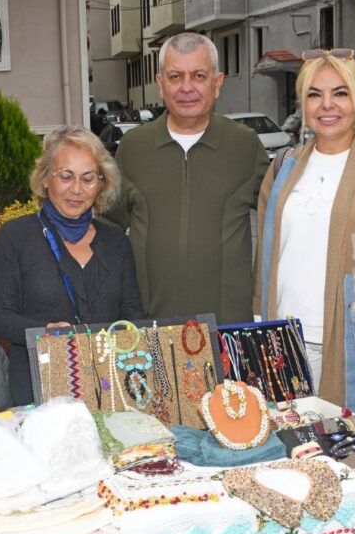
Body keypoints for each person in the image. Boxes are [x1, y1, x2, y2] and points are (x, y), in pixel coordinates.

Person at [253, 49, 355, 428]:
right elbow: (266, 255)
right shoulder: (283, 166)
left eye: (340, 93)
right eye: (315, 94)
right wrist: (260, 328)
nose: (327, 104)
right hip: (285, 344)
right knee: (291, 449)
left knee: (352, 450)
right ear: (303, 104)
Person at [104, 32, 269, 324]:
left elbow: (281, 219)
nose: (187, 87)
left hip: (226, 328)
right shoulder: (134, 148)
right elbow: (107, 225)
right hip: (150, 327)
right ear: (160, 84)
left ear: (217, 83)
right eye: (175, 76)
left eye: (199, 75)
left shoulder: (244, 146)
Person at [0, 126, 144, 406]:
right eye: (65, 176)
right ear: (45, 178)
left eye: (88, 178)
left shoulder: (116, 241)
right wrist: (45, 331)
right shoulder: (15, 237)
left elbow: (132, 313)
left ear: (102, 183)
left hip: (109, 389)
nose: (77, 189)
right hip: (40, 391)